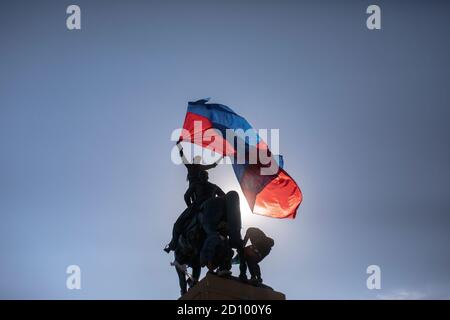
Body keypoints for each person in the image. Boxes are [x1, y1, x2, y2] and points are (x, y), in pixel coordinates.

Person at [164, 170, 225, 253]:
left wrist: (190, 206)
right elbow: (224, 196)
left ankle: (172, 245)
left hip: (197, 205)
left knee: (177, 225)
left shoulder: (195, 184)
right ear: (207, 177)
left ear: (200, 177)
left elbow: (186, 196)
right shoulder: (214, 186)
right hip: (212, 205)